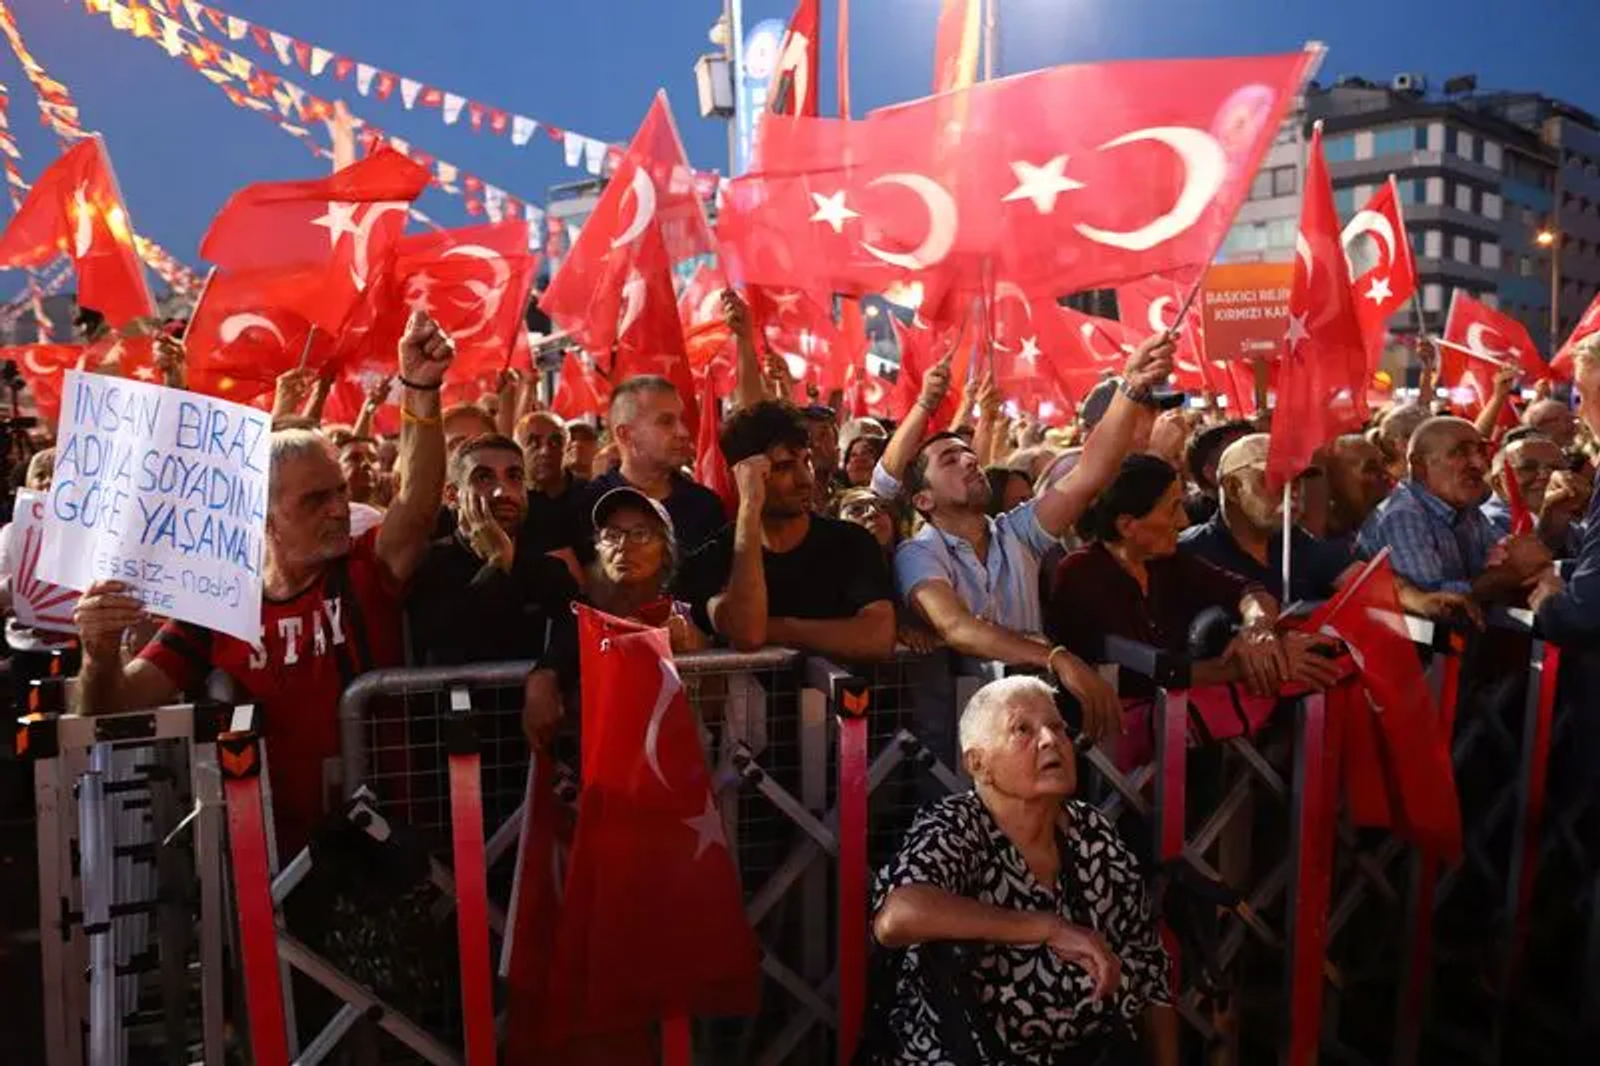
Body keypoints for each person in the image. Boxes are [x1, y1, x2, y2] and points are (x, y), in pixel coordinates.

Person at [72, 311, 457, 855]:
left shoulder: (363, 568)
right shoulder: (215, 604)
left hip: (386, 844)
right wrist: (98, 652)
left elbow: (415, 505)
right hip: (272, 864)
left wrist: (420, 389)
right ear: (260, 514)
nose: (339, 509)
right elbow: (112, 704)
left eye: (339, 491)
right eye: (315, 500)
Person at [867, 676, 1178, 1066]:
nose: (1050, 740)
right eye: (1022, 730)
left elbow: (1150, 971)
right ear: (978, 764)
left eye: (1058, 728)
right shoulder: (957, 826)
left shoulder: (1091, 832)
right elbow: (897, 916)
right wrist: (1048, 928)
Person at [893, 335, 1175, 741]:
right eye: (950, 460)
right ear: (923, 500)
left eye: (969, 453)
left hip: (1033, 736)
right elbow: (956, 627)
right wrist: (1056, 658)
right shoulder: (917, 552)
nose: (970, 459)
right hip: (955, 748)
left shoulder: (1017, 532)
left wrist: (1130, 386)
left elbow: (1089, 474)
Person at [1049, 454, 1339, 701]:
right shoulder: (1081, 573)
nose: (1184, 521)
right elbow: (1147, 670)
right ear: (1127, 525)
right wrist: (1266, 663)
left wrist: (1258, 629)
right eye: (1173, 509)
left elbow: (1247, 590)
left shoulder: (1167, 562)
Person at [676, 401, 897, 660]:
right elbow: (749, 633)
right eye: (783, 467)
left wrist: (778, 628)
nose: (805, 479)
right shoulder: (714, 557)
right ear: (742, 476)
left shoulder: (851, 543)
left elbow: (878, 636)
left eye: (806, 461)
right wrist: (749, 506)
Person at [406, 433, 578, 669]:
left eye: (514, 477)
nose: (502, 492)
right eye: (484, 477)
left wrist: (548, 672)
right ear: (452, 496)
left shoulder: (547, 569)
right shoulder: (428, 566)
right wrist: (497, 563)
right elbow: (450, 645)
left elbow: (580, 634)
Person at [1359, 416, 1551, 605]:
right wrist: (1509, 572)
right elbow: (1436, 603)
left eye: (1481, 451)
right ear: (1419, 466)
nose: (1480, 464)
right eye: (1460, 452)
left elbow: (1505, 557)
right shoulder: (1403, 516)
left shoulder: (1463, 505)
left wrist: (1517, 558)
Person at [1178, 434, 1354, 604]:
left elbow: (1354, 581)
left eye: (1297, 480)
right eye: (1276, 480)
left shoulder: (1297, 541)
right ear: (1233, 489)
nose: (1292, 492)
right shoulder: (1190, 552)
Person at [569, 376, 727, 565]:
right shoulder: (585, 505)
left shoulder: (705, 505)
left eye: (681, 420)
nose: (683, 432)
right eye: (666, 421)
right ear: (626, 434)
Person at [586, 487, 707, 652]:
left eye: (640, 534)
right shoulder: (579, 614)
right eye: (612, 535)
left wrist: (688, 643)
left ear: (666, 550)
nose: (623, 545)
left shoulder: (685, 616)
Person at [1483, 431, 1586, 553]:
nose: (1544, 475)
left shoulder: (1572, 524)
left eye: (1555, 468)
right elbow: (1523, 562)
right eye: (1528, 468)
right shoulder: (1487, 524)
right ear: (1498, 483)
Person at [516, 410, 588, 555]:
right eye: (534, 443)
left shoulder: (591, 496)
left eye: (555, 442)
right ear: (517, 450)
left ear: (567, 448)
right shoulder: (512, 502)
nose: (545, 451)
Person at [1317, 433, 1391, 550]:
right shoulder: (1314, 544)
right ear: (1334, 476)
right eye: (1371, 468)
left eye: (1384, 466)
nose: (1385, 477)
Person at [1183, 420, 1255, 526]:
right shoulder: (1188, 520)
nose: (1255, 464)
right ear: (1210, 472)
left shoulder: (1272, 516)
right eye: (1241, 456)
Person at [801, 404, 841, 510]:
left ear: (837, 451)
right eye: (807, 437)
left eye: (823, 435)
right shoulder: (785, 504)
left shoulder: (847, 501)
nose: (816, 445)